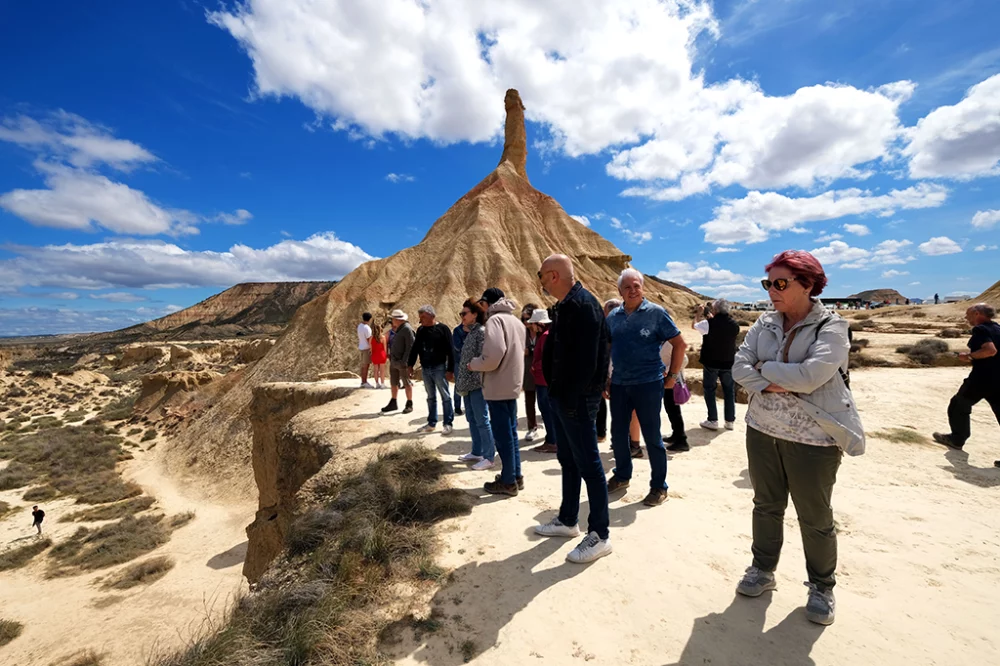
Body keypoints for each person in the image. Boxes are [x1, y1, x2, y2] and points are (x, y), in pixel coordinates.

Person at [732, 249, 865, 627]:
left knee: (815, 516)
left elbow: (812, 376)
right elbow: (739, 366)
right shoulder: (765, 321)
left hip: (814, 439)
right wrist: (770, 375)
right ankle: (762, 569)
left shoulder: (833, 327)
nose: (771, 290)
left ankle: (822, 586)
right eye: (767, 283)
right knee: (766, 505)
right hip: (761, 430)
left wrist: (765, 370)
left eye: (780, 283)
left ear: (807, 284)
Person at [536, 254, 613, 563]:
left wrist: (569, 397)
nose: (539, 281)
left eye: (541, 275)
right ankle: (569, 519)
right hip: (565, 397)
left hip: (577, 400)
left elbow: (588, 362)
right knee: (568, 459)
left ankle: (600, 535)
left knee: (590, 465)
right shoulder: (569, 306)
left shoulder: (583, 307)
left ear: (553, 276)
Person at [605, 268, 688, 507]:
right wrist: (605, 379)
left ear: (643, 288)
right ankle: (622, 476)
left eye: (636, 286)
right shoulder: (613, 317)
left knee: (652, 437)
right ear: (620, 291)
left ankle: (659, 486)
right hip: (620, 384)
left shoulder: (656, 313)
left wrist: (672, 376)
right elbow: (606, 350)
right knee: (618, 434)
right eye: (627, 287)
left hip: (648, 384)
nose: (632, 290)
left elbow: (680, 343)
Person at [468, 288, 525, 496]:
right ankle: (515, 475)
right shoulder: (516, 322)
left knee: (502, 436)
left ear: (488, 303)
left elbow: (494, 356)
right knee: (511, 433)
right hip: (511, 384)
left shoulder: (494, 321)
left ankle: (508, 482)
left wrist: (475, 364)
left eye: (482, 304)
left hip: (498, 385)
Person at [933, 303, 1000, 450]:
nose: (966, 317)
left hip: (982, 378)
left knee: (958, 405)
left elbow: (990, 350)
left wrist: (969, 356)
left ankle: (957, 439)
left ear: (977, 314)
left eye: (968, 313)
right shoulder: (998, 329)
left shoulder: (980, 329)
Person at [455, 300, 496, 470]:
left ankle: (488, 456)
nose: (462, 317)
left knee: (482, 420)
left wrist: (474, 366)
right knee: (471, 418)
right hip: (467, 384)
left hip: (478, 384)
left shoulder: (481, 333)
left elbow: (486, 357)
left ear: (475, 315)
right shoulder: (471, 333)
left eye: (464, 313)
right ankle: (476, 451)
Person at [407, 305, 455, 434]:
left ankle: (447, 423)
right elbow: (415, 348)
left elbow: (451, 350)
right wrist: (410, 365)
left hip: (439, 367)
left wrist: (450, 369)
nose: (420, 319)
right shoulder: (421, 330)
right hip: (426, 368)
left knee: (445, 395)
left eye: (423, 316)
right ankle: (431, 423)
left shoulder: (443, 329)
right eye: (420, 317)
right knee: (430, 397)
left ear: (431, 316)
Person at [694, 299, 741, 432]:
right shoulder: (735, 325)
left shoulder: (709, 323)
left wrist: (698, 314)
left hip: (711, 362)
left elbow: (695, 325)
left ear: (715, 310)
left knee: (709, 390)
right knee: (729, 391)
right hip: (728, 362)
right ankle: (729, 421)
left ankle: (712, 419)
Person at [527, 309, 558, 453]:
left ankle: (552, 441)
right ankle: (552, 439)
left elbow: (548, 360)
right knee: (547, 410)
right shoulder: (546, 335)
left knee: (547, 410)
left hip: (543, 380)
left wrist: (534, 367)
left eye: (532, 323)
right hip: (544, 379)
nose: (531, 326)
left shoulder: (545, 336)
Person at [596, 298, 622, 443]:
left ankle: (623, 441)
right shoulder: (603, 330)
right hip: (608, 373)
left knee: (620, 410)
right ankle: (604, 435)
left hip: (622, 376)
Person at [381, 310, 415, 414]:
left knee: (406, 382)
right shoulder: (400, 329)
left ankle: (409, 403)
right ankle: (393, 402)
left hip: (402, 362)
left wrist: (405, 361)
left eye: (393, 319)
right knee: (394, 382)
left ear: (397, 320)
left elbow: (410, 346)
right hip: (395, 360)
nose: (392, 321)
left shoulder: (407, 329)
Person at [661, 335, 690, 452]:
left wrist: (668, 372)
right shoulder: (663, 341)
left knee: (673, 410)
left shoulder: (670, 342)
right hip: (667, 381)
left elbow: (684, 359)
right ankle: (676, 435)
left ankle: (681, 440)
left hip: (672, 382)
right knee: (670, 408)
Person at [521, 304, 541, 441]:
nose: (525, 322)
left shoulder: (543, 331)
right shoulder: (522, 332)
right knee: (529, 400)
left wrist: (531, 351)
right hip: (528, 370)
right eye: (523, 319)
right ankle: (531, 427)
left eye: (527, 319)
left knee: (545, 402)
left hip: (542, 371)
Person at [452, 318, 469, 417]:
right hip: (460, 362)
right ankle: (457, 407)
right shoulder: (457, 331)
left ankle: (468, 406)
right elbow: (457, 346)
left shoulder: (474, 331)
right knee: (459, 384)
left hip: (472, 362)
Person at [357, 312, 374, 388]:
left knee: (363, 366)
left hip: (361, 347)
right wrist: (372, 348)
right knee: (366, 366)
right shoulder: (367, 328)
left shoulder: (360, 326)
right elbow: (369, 339)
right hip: (366, 348)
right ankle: (364, 382)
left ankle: (363, 381)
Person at [370, 321, 388, 389]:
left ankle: (377, 383)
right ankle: (382, 383)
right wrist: (385, 355)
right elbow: (385, 348)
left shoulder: (371, 338)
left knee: (376, 370)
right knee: (382, 370)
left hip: (375, 355)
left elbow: (370, 348)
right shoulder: (383, 337)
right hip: (381, 354)